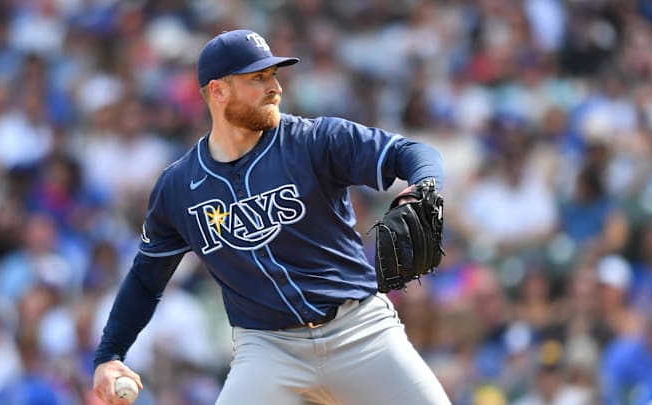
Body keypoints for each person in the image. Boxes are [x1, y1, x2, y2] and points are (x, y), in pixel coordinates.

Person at [92, 29, 451, 405]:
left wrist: (423, 187)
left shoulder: (314, 140)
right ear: (218, 91)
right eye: (257, 78)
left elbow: (413, 153)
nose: (274, 87)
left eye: (274, 75)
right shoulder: (178, 187)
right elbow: (145, 280)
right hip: (267, 351)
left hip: (359, 332)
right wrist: (109, 355)